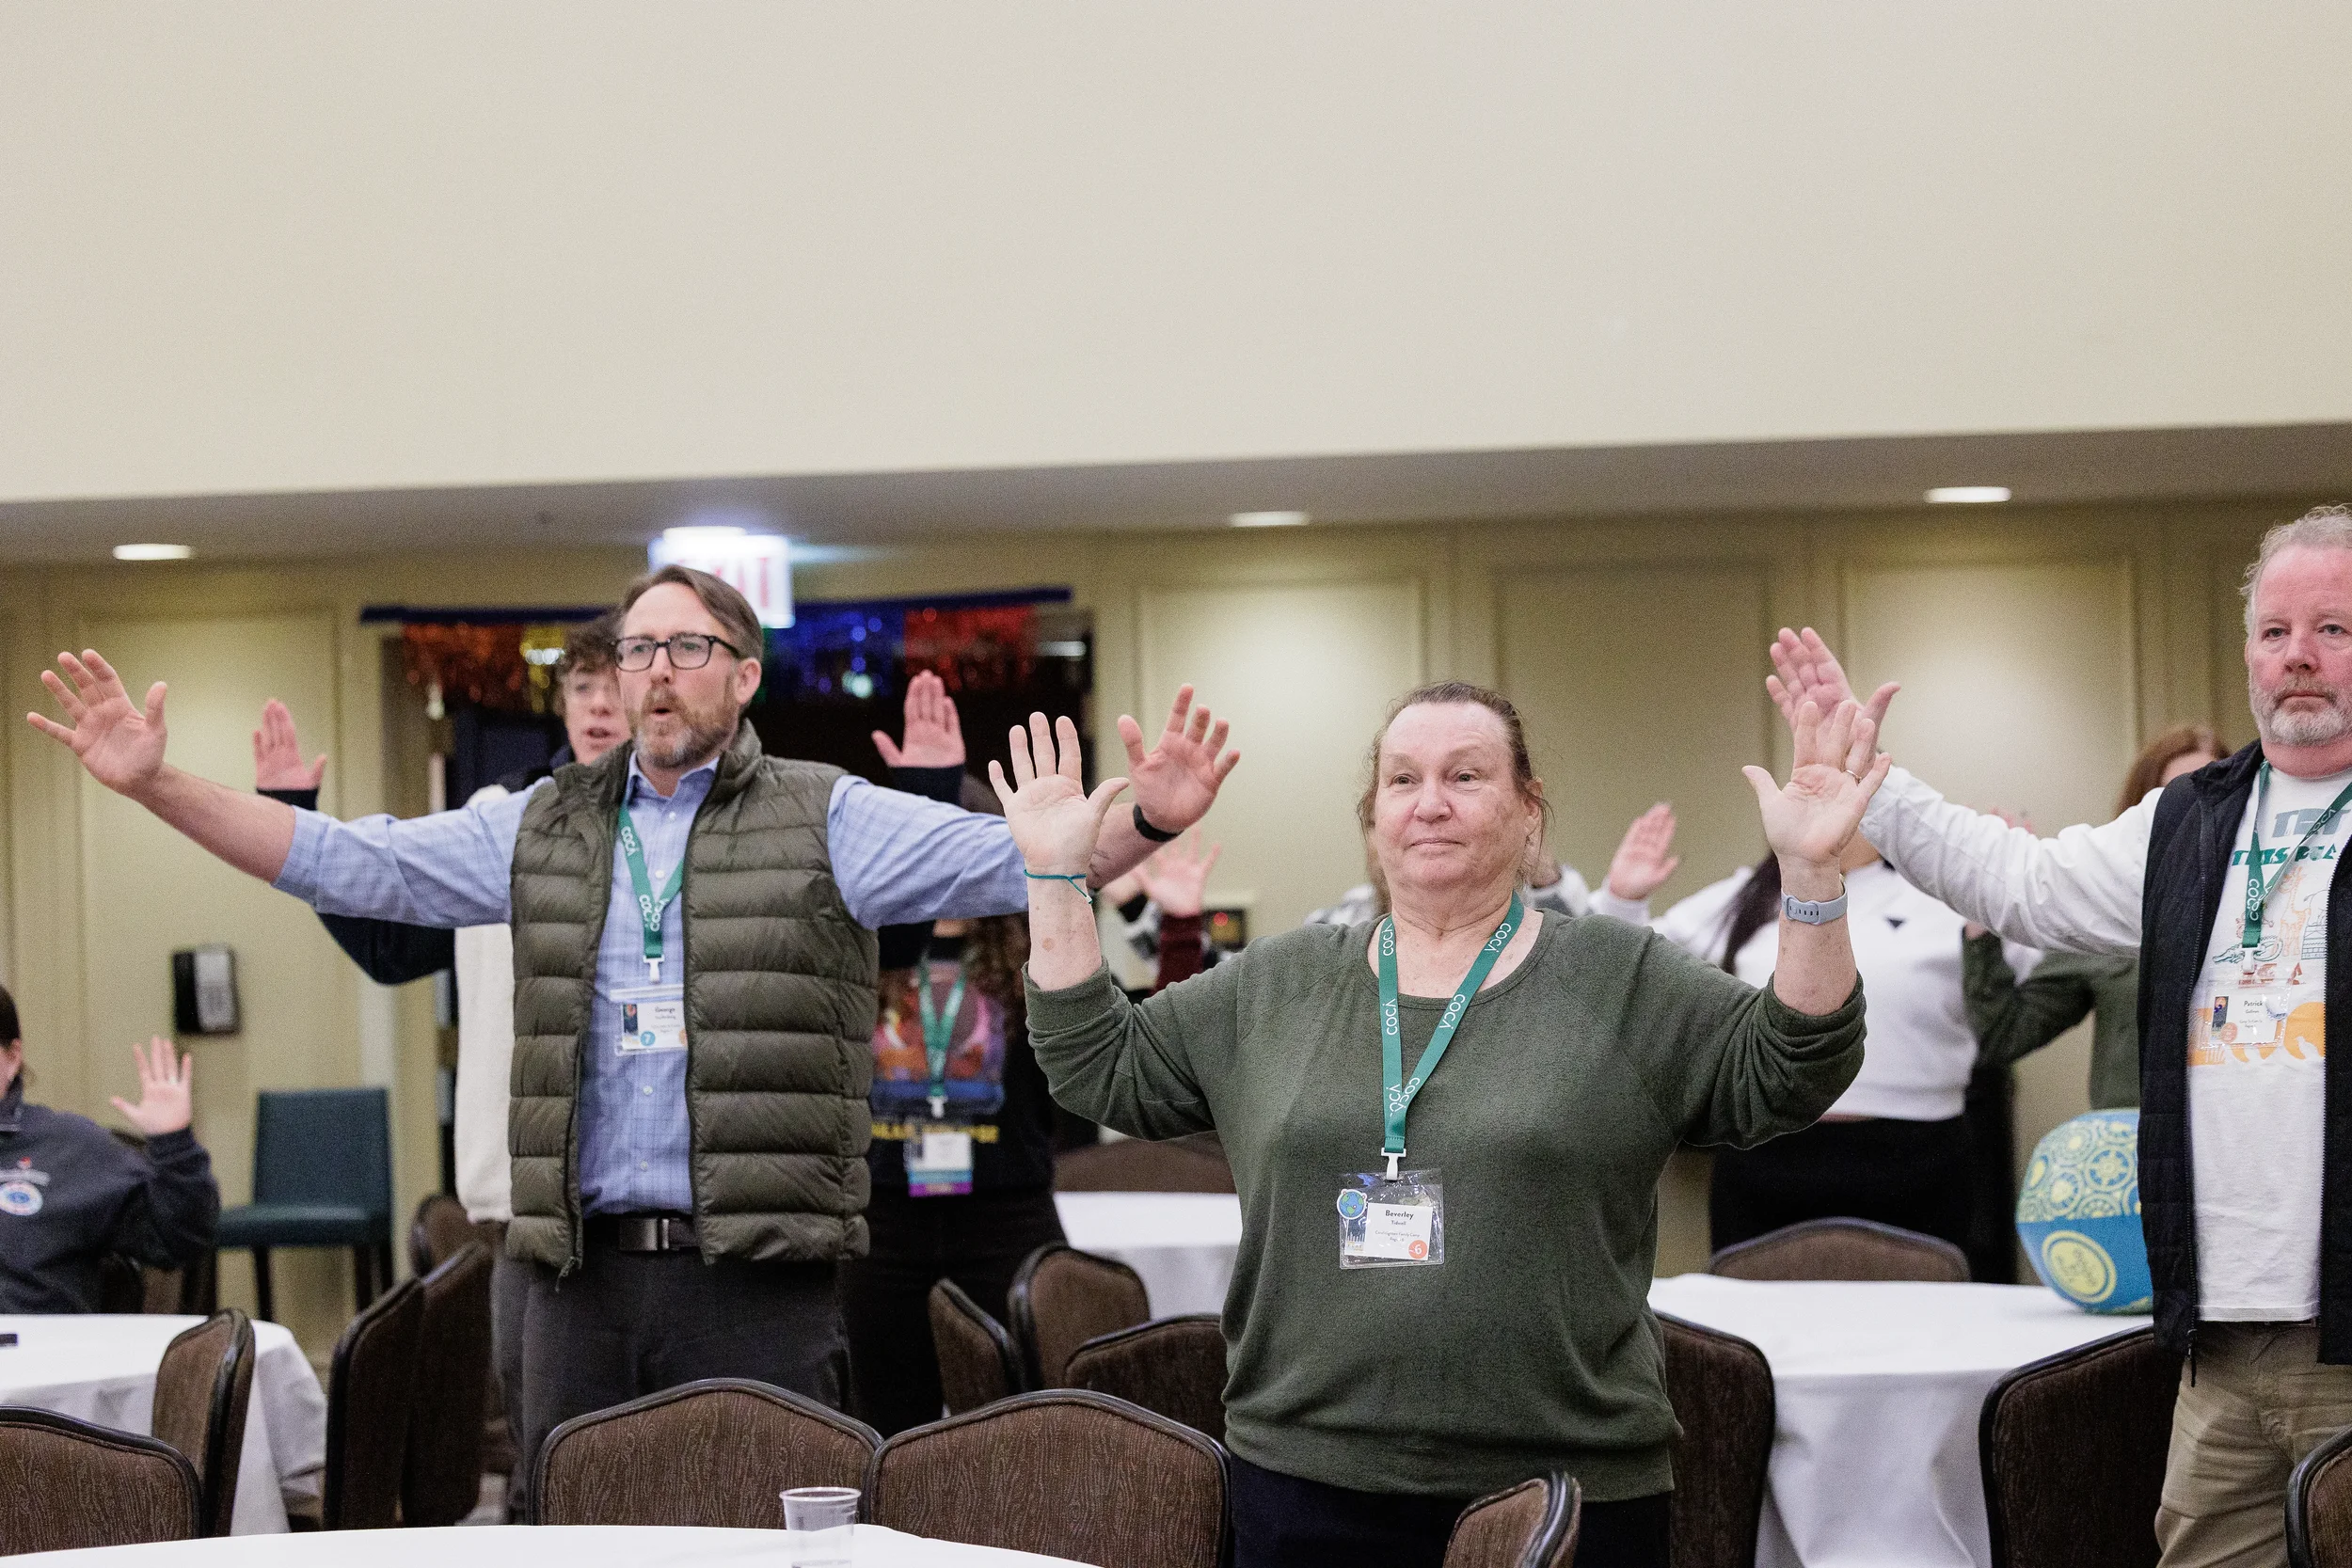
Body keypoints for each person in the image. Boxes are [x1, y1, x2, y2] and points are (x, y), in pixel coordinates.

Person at [24, 564, 1239, 1475]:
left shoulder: (830, 815)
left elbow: (1010, 857)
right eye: (639, 645)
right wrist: (157, 784)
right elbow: (352, 865)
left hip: (756, 1276)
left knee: (770, 1530)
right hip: (574, 1280)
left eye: (689, 644)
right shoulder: (539, 819)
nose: (657, 667)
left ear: (744, 673)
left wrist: (1149, 821)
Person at [996, 681, 1879, 1568]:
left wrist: (1809, 876)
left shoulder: (1621, 978)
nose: (1431, 803)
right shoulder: (1280, 984)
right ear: (1373, 818)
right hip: (1307, 1481)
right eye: (1403, 779)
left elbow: (1794, 1066)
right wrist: (1055, 877)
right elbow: (1097, 1062)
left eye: (1466, 775)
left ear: (1528, 813)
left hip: (1563, 1495)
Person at [1762, 503, 2352, 1568]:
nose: (2297, 657)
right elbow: (2021, 883)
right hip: (2215, 1337)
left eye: (2333, 629)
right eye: (2274, 631)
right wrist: (1873, 788)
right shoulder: (2191, 822)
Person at [249, 613, 627, 1514]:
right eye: (584, 690)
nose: (601, 707)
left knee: (651, 1440)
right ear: (564, 705)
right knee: (540, 1443)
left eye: (616, 688)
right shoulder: (493, 828)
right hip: (517, 1196)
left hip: (650, 1203)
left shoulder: (692, 831)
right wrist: (292, 822)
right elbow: (387, 945)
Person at [841, 677, 1221, 1433]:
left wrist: (1174, 923)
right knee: (883, 1418)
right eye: (923, 842)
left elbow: (1146, 1036)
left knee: (1024, 1421)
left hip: (1005, 1212)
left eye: (956, 840)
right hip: (883, 1218)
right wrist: (920, 787)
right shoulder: (866, 948)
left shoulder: (1034, 942)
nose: (935, 864)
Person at [1592, 803, 2042, 1258]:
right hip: (1766, 1153)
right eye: (1816, 796)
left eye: (1850, 795)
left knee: (1919, 1313)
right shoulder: (1749, 893)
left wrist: (1998, 892)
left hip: (1917, 1152)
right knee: (1751, 1314)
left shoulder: (1940, 894)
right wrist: (1622, 899)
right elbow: (1625, 970)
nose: (1833, 815)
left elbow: (2023, 988)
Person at [1963, 725, 2224, 1111]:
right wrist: (1981, 910)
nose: (2197, 814)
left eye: (2212, 796)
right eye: (2177, 798)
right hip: (2132, 1143)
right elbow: (2004, 1033)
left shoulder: (2271, 900)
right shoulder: (2106, 907)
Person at [0, 995, 218, 1313]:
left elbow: (180, 1239)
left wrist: (175, 1146)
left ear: (13, 1057)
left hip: (40, 1355)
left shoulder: (69, 1148)